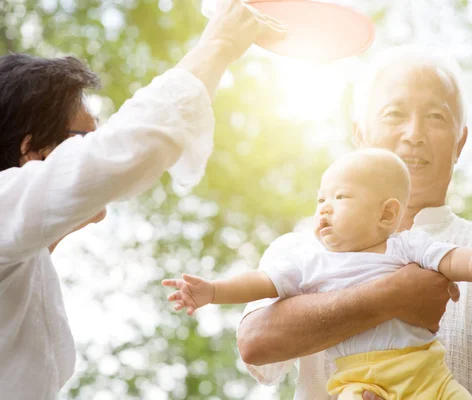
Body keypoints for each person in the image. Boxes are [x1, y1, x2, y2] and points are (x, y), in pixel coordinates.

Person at [236, 46, 472, 400]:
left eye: (436, 117)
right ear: (360, 135)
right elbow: (256, 342)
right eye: (394, 114)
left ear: (460, 142)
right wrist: (390, 297)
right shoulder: (299, 249)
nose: (414, 133)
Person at [0, 1, 286, 398]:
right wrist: (218, 43)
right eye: (83, 140)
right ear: (33, 152)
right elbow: (129, 148)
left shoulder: (27, 266)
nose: (93, 151)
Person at [163, 148, 472, 399]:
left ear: (385, 215)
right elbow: (261, 282)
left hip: (429, 375)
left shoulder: (406, 246)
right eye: (321, 199)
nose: (324, 208)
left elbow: (453, 260)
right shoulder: (312, 260)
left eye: (341, 198)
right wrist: (212, 291)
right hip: (360, 379)